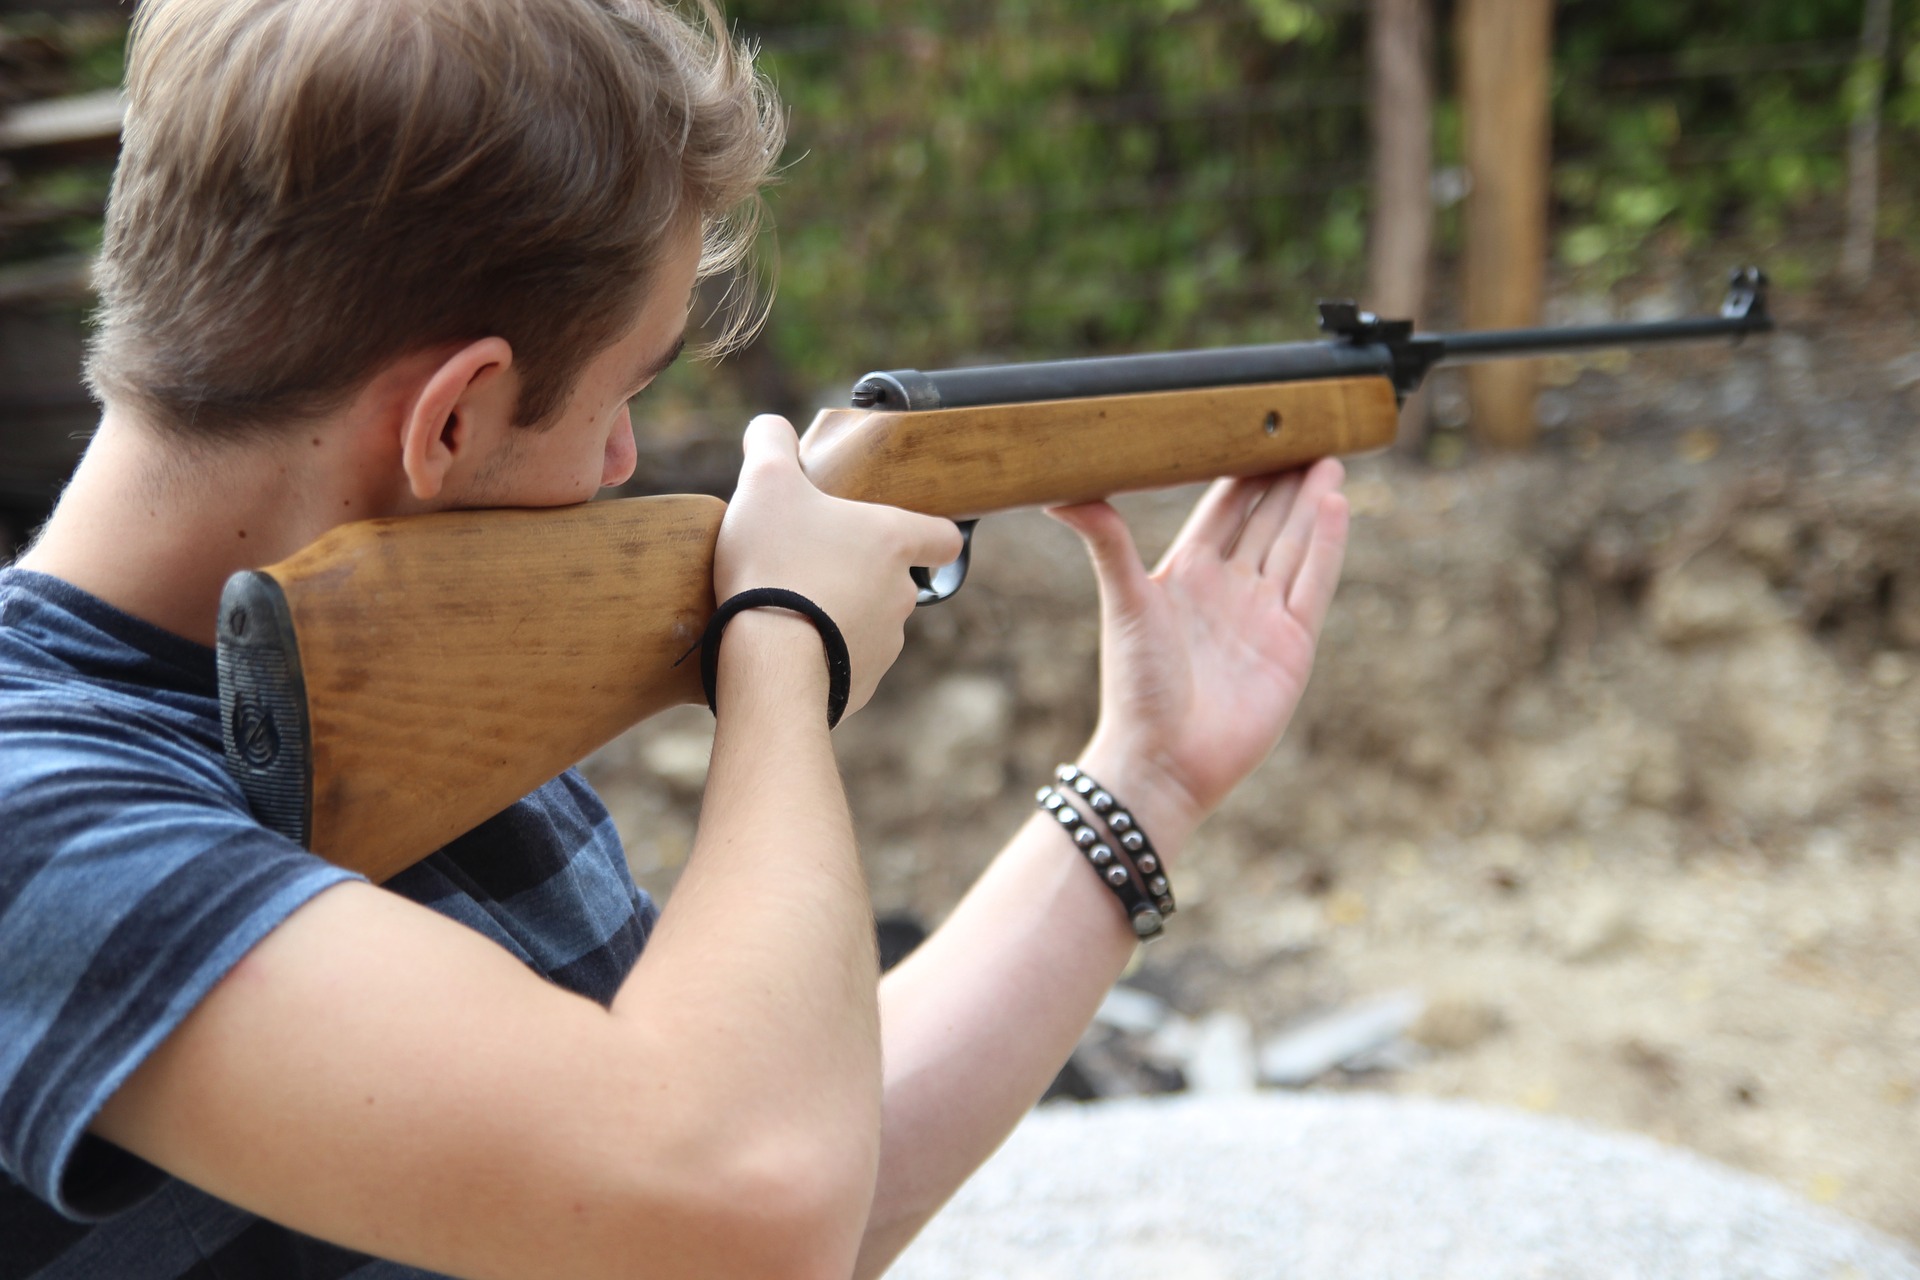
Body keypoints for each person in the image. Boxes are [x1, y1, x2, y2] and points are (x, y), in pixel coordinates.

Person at [0, 0, 1350, 1277]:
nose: (626, 459)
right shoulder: (33, 814)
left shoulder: (410, 687)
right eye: (623, 394)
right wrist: (780, 649)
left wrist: (1142, 782)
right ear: (455, 418)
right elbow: (742, 1204)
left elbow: (799, 1171)